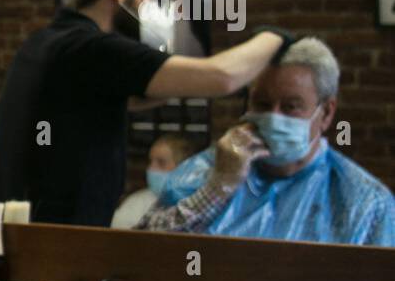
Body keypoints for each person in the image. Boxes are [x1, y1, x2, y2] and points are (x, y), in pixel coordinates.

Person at [0, 0, 295, 226]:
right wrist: (276, 37)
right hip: (61, 246)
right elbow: (222, 77)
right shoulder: (96, 48)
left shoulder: (42, 45)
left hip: (17, 238)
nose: (149, 12)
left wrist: (177, 83)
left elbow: (122, 100)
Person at [138, 38, 395, 245]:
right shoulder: (206, 172)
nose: (273, 117)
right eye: (262, 104)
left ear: (326, 113)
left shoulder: (366, 203)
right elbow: (144, 250)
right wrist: (218, 188)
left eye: (291, 107)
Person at [111, 134, 197, 229]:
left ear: (183, 168)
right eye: (150, 161)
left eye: (161, 162)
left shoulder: (196, 204)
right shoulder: (137, 202)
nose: (151, 168)